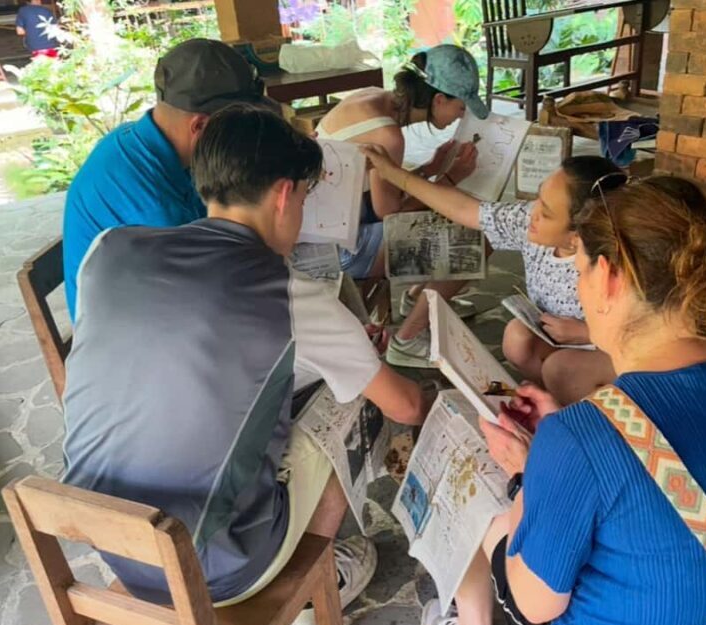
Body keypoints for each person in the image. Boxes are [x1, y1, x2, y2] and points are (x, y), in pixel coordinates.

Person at [62, 105, 429, 625]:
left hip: (110, 542)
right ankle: (307, 590)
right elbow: (406, 407)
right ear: (284, 194)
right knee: (354, 405)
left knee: (309, 384)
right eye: (305, 198)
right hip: (215, 568)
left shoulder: (108, 249)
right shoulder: (290, 295)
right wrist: (366, 362)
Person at [419, 175, 706, 625]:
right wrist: (561, 446)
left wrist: (526, 477)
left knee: (487, 516)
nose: (579, 286)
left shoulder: (581, 438)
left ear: (610, 278)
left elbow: (536, 606)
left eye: (580, 271)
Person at [362, 146, 617, 405]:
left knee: (561, 367)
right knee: (517, 337)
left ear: (577, 239)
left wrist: (587, 334)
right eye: (539, 197)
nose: (533, 212)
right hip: (560, 339)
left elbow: (651, 338)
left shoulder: (620, 264)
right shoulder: (531, 222)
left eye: (547, 212)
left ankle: (576, 417)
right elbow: (464, 209)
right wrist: (392, 173)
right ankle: (549, 400)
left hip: (617, 352)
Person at [63, 38, 280, 321]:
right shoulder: (152, 203)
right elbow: (213, 290)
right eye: (238, 129)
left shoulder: (150, 142)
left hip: (163, 302)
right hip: (133, 337)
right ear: (200, 126)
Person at [314, 44, 483, 313]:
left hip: (327, 234)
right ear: (439, 100)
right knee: (475, 238)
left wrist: (429, 168)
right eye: (460, 107)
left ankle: (420, 298)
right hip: (342, 253)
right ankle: (414, 331)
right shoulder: (388, 136)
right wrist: (450, 178)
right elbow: (392, 215)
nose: (461, 116)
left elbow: (383, 185)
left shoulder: (371, 96)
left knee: (445, 213)